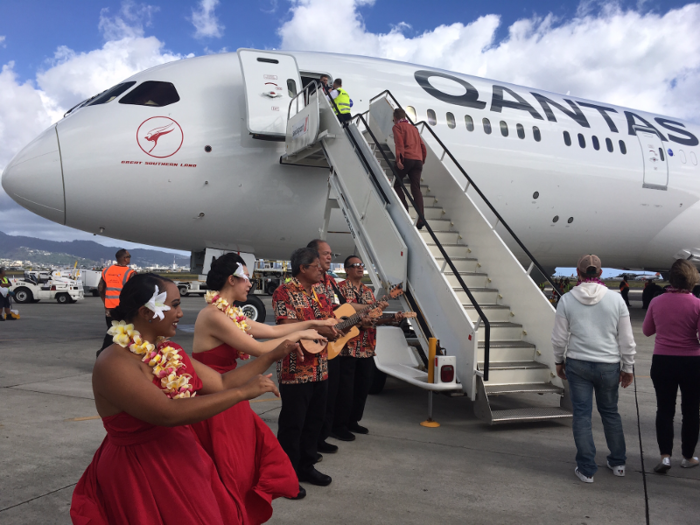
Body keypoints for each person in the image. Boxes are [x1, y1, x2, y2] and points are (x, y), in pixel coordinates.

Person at [71, 273, 297, 524]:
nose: (180, 314)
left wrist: (272, 356)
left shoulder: (169, 351)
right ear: (147, 312)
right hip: (139, 468)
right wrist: (243, 393)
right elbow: (167, 413)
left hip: (182, 454)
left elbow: (220, 382)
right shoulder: (113, 363)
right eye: (175, 306)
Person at [191, 253, 336, 507]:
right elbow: (260, 348)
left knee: (242, 451)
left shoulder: (229, 313)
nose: (250, 284)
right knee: (225, 454)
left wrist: (313, 322)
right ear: (231, 279)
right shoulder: (214, 315)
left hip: (232, 385)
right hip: (214, 391)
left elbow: (270, 330)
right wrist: (303, 333)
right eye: (246, 278)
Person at [551, 254, 635, 483]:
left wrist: (559, 361)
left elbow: (559, 339)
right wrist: (627, 367)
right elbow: (626, 339)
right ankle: (618, 462)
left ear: (577, 273)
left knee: (582, 415)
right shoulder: (616, 300)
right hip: (608, 364)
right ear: (599, 273)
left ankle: (587, 469)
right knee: (610, 413)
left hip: (578, 363)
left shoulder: (567, 299)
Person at [272, 247, 340, 489]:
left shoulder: (321, 292)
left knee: (315, 420)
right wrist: (320, 328)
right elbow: (287, 324)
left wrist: (334, 330)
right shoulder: (284, 292)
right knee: (293, 424)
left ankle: (306, 466)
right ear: (302, 268)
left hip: (320, 367)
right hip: (295, 368)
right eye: (317, 267)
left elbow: (330, 321)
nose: (322, 271)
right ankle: (286, 473)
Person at [334, 255, 404, 437]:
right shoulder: (339, 289)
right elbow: (336, 312)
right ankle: (338, 425)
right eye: (355, 265)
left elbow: (373, 319)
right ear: (347, 269)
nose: (360, 267)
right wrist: (358, 322)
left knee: (362, 387)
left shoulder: (368, 292)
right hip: (346, 347)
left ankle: (353, 421)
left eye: (361, 265)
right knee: (345, 390)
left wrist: (391, 319)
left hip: (366, 347)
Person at [642, 259, 700, 473]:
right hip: (692, 362)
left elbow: (647, 331)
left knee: (665, 410)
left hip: (663, 361)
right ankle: (688, 456)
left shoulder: (657, 302)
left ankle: (665, 456)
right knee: (692, 411)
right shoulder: (697, 304)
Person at [392, 108, 427, 229]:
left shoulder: (397, 127)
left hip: (407, 158)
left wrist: (399, 160)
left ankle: (405, 212)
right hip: (418, 160)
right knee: (416, 188)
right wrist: (422, 160)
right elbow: (423, 146)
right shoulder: (414, 128)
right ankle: (421, 218)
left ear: (395, 118)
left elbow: (399, 144)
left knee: (396, 183)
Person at [97, 249, 136, 354]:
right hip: (123, 309)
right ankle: (104, 354)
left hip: (109, 309)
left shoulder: (106, 270)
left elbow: (100, 288)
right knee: (126, 333)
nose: (129, 259)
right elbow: (135, 292)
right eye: (129, 257)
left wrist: (105, 302)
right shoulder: (130, 273)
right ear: (125, 259)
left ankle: (106, 354)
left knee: (111, 331)